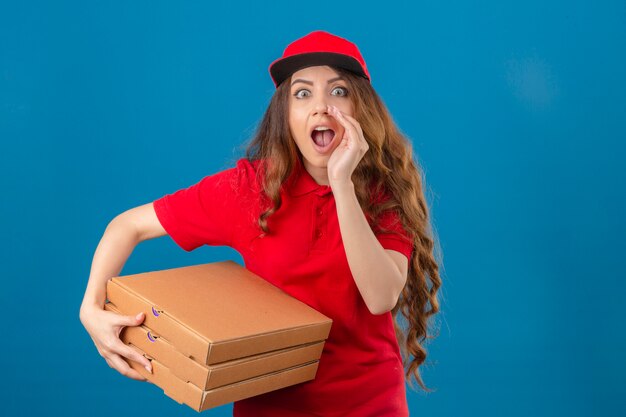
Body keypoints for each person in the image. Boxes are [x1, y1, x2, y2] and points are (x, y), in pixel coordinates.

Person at [79, 30, 442, 416]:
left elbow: (381, 296)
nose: (321, 106)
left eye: (338, 92)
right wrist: (90, 308)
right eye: (302, 93)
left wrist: (342, 185)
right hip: (270, 406)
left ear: (361, 111)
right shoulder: (251, 189)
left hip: (370, 404)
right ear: (285, 115)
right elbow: (127, 226)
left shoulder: (382, 192)